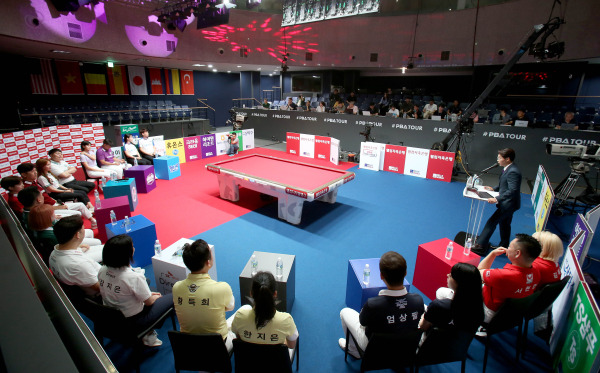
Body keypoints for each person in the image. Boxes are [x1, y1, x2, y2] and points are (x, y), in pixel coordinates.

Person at [338, 251, 424, 359]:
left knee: (344, 312)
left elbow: (362, 322)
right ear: (405, 273)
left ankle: (353, 349)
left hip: (374, 349)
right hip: (405, 347)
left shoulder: (373, 304)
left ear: (381, 275)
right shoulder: (418, 301)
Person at [98, 234, 174, 347]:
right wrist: (155, 297)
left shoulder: (102, 270)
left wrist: (149, 295)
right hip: (135, 320)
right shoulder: (132, 277)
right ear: (127, 253)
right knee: (172, 295)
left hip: (112, 316)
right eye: (132, 246)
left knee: (151, 289)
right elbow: (149, 302)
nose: (134, 248)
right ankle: (148, 332)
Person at [173, 239, 236, 351]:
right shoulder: (222, 288)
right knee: (245, 312)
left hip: (189, 347)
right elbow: (230, 307)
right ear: (208, 262)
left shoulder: (177, 287)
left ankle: (202, 365)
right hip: (218, 347)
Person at [477, 234, 541, 324]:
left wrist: (492, 254)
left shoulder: (503, 275)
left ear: (517, 253)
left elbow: (478, 272)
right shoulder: (537, 272)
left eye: (509, 246)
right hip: (513, 315)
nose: (507, 248)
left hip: (489, 314)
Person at [232, 271, 298, 356]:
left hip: (248, 364)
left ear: (251, 293)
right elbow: (291, 345)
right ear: (275, 294)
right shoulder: (286, 320)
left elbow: (238, 336)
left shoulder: (240, 316)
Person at [472, 148, 522, 256]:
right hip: (509, 203)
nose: (497, 160)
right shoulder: (509, 168)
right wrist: (493, 189)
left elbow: (513, 190)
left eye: (499, 158)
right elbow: (505, 185)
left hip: (509, 204)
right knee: (504, 224)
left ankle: (480, 245)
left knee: (491, 222)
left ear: (507, 159)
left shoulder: (513, 172)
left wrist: (497, 199)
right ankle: (503, 247)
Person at [419, 263, 484, 339]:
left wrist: (425, 314)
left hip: (430, 343)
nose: (448, 275)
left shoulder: (438, 305)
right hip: (458, 346)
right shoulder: (478, 308)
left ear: (458, 283)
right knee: (440, 292)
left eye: (451, 275)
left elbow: (423, 327)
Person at [29, 204, 103, 263]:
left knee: (90, 232)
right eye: (52, 216)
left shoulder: (42, 227)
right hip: (72, 254)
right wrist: (81, 247)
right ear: (45, 219)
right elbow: (65, 249)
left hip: (69, 242)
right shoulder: (49, 236)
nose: (55, 216)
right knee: (98, 242)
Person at [49, 215, 102, 297]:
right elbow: (101, 288)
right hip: (98, 290)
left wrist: (80, 248)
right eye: (83, 228)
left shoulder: (54, 253)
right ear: (77, 234)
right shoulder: (80, 265)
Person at [16, 163, 81, 219]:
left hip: (53, 203)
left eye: (35, 170)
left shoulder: (35, 181)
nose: (35, 173)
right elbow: (36, 207)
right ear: (24, 174)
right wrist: (56, 208)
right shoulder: (26, 189)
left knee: (80, 204)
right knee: (77, 214)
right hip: (49, 210)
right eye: (32, 171)